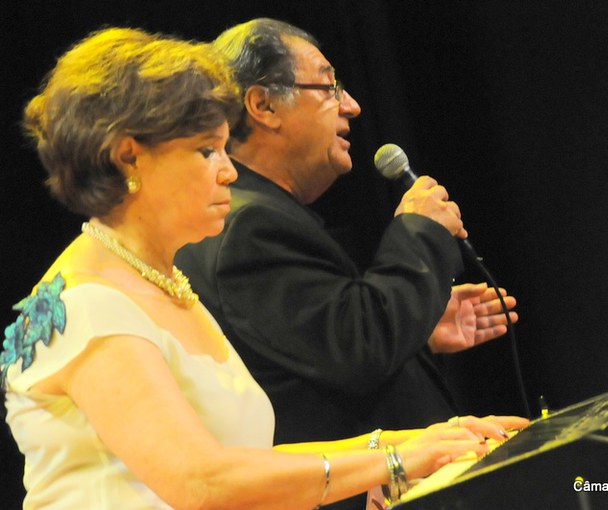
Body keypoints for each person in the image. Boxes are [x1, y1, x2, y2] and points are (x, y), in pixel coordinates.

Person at [0, 27, 529, 509]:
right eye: (206, 151)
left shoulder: (163, 281)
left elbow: (247, 458)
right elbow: (200, 482)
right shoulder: (87, 303)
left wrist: (415, 441)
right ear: (128, 157)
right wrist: (393, 461)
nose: (229, 171)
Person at [175, 20, 521, 508]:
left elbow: (319, 347)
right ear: (264, 106)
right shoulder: (249, 225)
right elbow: (356, 352)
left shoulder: (261, 214)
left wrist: (416, 323)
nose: (352, 105)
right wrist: (420, 233)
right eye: (329, 86)